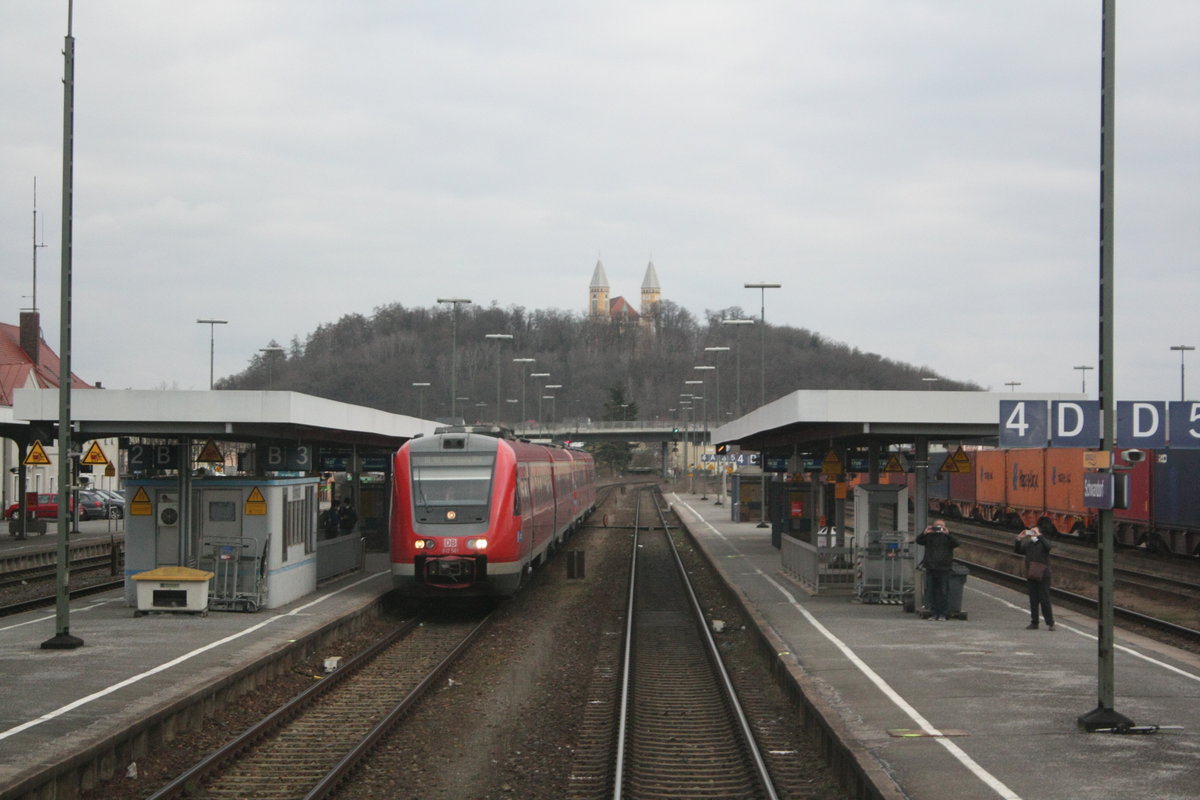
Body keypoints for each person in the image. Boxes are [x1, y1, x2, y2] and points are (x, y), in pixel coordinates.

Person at [915, 518, 959, 621]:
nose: (939, 528)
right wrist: (924, 533)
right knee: (931, 592)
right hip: (931, 568)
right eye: (937, 526)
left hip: (944, 568)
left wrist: (948, 534)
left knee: (943, 592)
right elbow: (918, 541)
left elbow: (957, 543)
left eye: (941, 526)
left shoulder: (948, 537)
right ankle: (934, 613)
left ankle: (943, 614)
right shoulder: (929, 536)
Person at [1016, 527, 1055, 630]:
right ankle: (1034, 622)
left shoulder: (1043, 543)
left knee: (1044, 599)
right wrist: (1019, 539)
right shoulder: (1029, 544)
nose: (1032, 534)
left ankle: (1050, 622)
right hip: (1032, 574)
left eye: (1034, 532)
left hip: (1043, 574)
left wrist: (1039, 535)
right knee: (1033, 599)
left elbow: (1049, 547)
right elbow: (1018, 551)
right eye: (1031, 531)